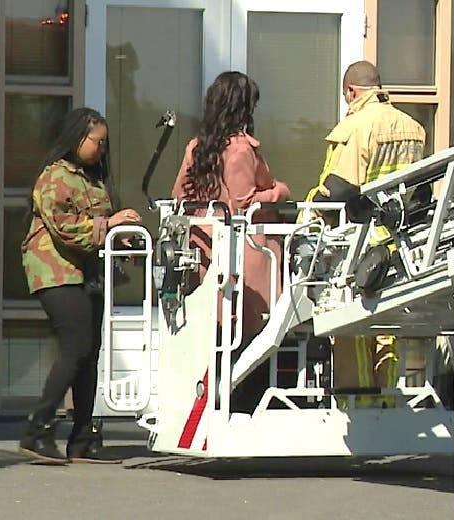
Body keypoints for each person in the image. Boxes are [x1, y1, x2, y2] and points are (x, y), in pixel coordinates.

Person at [20, 107, 142, 464]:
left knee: (90, 353)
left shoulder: (94, 180)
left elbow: (98, 227)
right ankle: (38, 430)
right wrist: (110, 224)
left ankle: (83, 439)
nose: (102, 149)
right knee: (76, 345)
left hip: (87, 272)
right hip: (55, 270)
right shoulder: (54, 177)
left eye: (105, 143)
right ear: (77, 137)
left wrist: (124, 238)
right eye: (96, 141)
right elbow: (65, 228)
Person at [305, 60, 426, 408]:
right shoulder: (414, 128)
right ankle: (387, 402)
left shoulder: (356, 127)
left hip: (360, 248)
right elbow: (418, 193)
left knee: (351, 330)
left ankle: (359, 406)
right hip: (398, 247)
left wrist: (310, 213)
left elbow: (339, 189)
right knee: (387, 331)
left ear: (352, 91)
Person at [171, 71, 291, 412]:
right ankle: (239, 408)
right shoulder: (239, 149)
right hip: (245, 250)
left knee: (218, 332)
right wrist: (279, 191)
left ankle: (213, 404)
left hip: (207, 247)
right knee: (253, 336)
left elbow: (180, 195)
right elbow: (243, 200)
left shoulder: (197, 146)